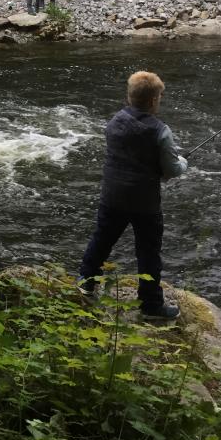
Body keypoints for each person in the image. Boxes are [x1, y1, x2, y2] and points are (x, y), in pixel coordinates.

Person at [77, 71, 187, 320]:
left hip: (112, 195)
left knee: (102, 240)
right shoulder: (161, 131)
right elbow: (171, 170)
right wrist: (183, 163)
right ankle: (151, 305)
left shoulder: (115, 120)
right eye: (159, 97)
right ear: (153, 101)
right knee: (148, 252)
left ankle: (85, 282)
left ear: (129, 96)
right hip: (144, 203)